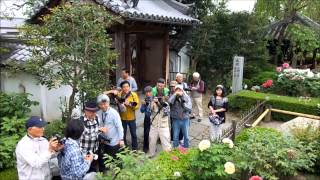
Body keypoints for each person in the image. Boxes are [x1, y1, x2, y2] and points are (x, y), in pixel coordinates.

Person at [96, 94, 124, 172]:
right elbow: (98, 125)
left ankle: (119, 173)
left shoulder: (114, 113)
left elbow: (119, 127)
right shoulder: (98, 113)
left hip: (114, 141)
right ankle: (107, 172)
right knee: (106, 158)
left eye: (105, 104)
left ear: (108, 103)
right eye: (101, 104)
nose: (103, 106)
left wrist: (121, 139)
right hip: (104, 141)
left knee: (116, 159)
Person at [79, 101, 106, 172]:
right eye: (92, 112)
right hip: (85, 152)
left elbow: (97, 133)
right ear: (85, 111)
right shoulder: (81, 122)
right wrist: (99, 130)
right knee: (86, 171)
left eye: (95, 111)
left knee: (94, 168)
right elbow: (89, 136)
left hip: (95, 149)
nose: (94, 113)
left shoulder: (97, 118)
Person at [117, 80, 140, 150]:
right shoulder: (119, 95)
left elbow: (137, 106)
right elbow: (117, 104)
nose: (126, 88)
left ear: (129, 87)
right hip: (122, 118)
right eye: (124, 87)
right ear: (122, 88)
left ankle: (135, 149)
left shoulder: (133, 95)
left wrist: (129, 104)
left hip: (131, 118)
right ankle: (125, 149)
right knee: (122, 134)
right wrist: (118, 103)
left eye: (127, 86)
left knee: (134, 134)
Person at [140, 86, 153, 153]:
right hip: (147, 118)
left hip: (154, 118)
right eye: (146, 92)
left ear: (152, 92)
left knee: (153, 134)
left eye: (149, 92)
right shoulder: (144, 100)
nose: (148, 94)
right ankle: (145, 147)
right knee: (146, 133)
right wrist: (143, 105)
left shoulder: (155, 98)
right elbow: (141, 111)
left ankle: (152, 147)